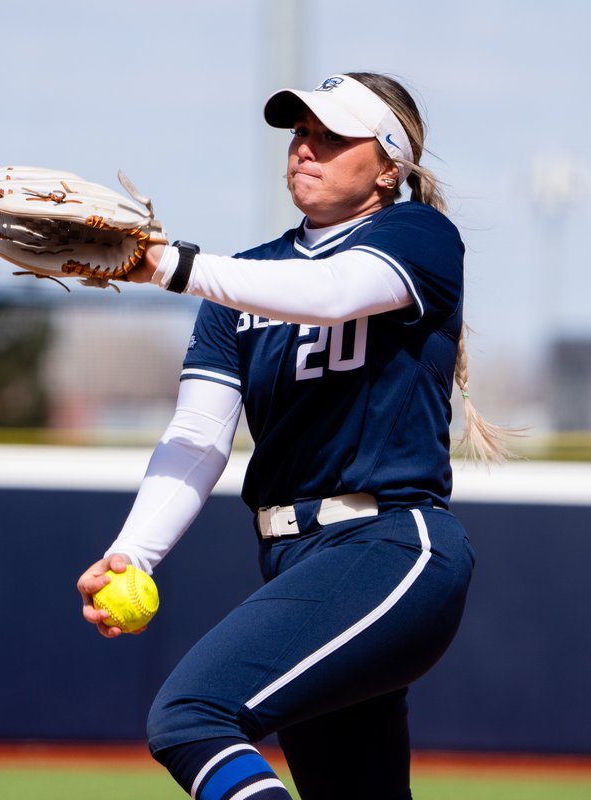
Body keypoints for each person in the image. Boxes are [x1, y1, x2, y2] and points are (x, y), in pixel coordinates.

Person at [76, 71, 509, 800]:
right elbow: (198, 436)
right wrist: (133, 551)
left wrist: (170, 265)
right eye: (300, 132)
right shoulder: (243, 280)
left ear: (388, 167)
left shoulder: (416, 236)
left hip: (391, 548)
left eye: (333, 135)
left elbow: (334, 291)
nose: (305, 147)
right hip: (294, 560)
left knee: (190, 717)